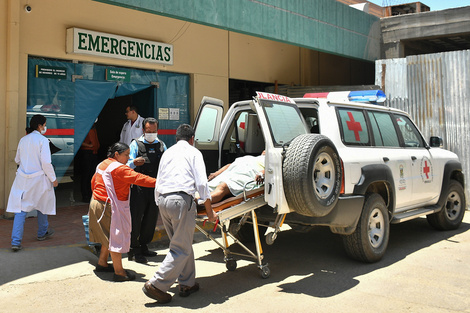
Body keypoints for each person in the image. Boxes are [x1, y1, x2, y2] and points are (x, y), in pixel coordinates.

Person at [142, 124, 216, 304]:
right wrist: (210, 211)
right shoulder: (194, 152)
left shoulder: (168, 152)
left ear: (176, 138)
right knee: (180, 248)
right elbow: (202, 184)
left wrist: (159, 202)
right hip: (181, 201)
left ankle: (187, 283)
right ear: (192, 139)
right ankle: (157, 284)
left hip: (163, 201)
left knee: (181, 243)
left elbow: (159, 179)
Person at [88, 142, 156, 282]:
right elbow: (139, 178)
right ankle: (119, 272)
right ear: (117, 154)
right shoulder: (119, 168)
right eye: (126, 155)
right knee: (114, 238)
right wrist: (161, 182)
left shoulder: (103, 164)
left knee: (107, 237)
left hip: (97, 203)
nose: (128, 157)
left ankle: (102, 263)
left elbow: (93, 181)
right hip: (107, 206)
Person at [6, 114, 58, 252]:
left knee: (20, 210)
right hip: (39, 180)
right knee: (43, 205)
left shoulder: (23, 140)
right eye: (45, 124)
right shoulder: (43, 140)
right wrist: (53, 179)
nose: (45, 127)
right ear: (40, 126)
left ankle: (15, 241)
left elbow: (17, 160)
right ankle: (42, 233)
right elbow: (46, 163)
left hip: (22, 180)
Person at [127, 117, 167, 264]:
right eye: (148, 131)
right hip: (139, 188)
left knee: (151, 218)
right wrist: (134, 162)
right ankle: (134, 249)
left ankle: (144, 246)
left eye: (154, 131)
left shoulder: (162, 145)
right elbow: (126, 165)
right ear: (143, 130)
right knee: (136, 218)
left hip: (155, 188)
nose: (151, 133)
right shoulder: (135, 144)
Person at [78, 118, 100, 203]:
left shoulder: (93, 127)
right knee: (86, 175)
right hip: (87, 152)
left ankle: (90, 194)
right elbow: (78, 140)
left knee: (92, 175)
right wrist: (88, 145)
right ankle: (85, 195)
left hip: (94, 152)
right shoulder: (85, 128)